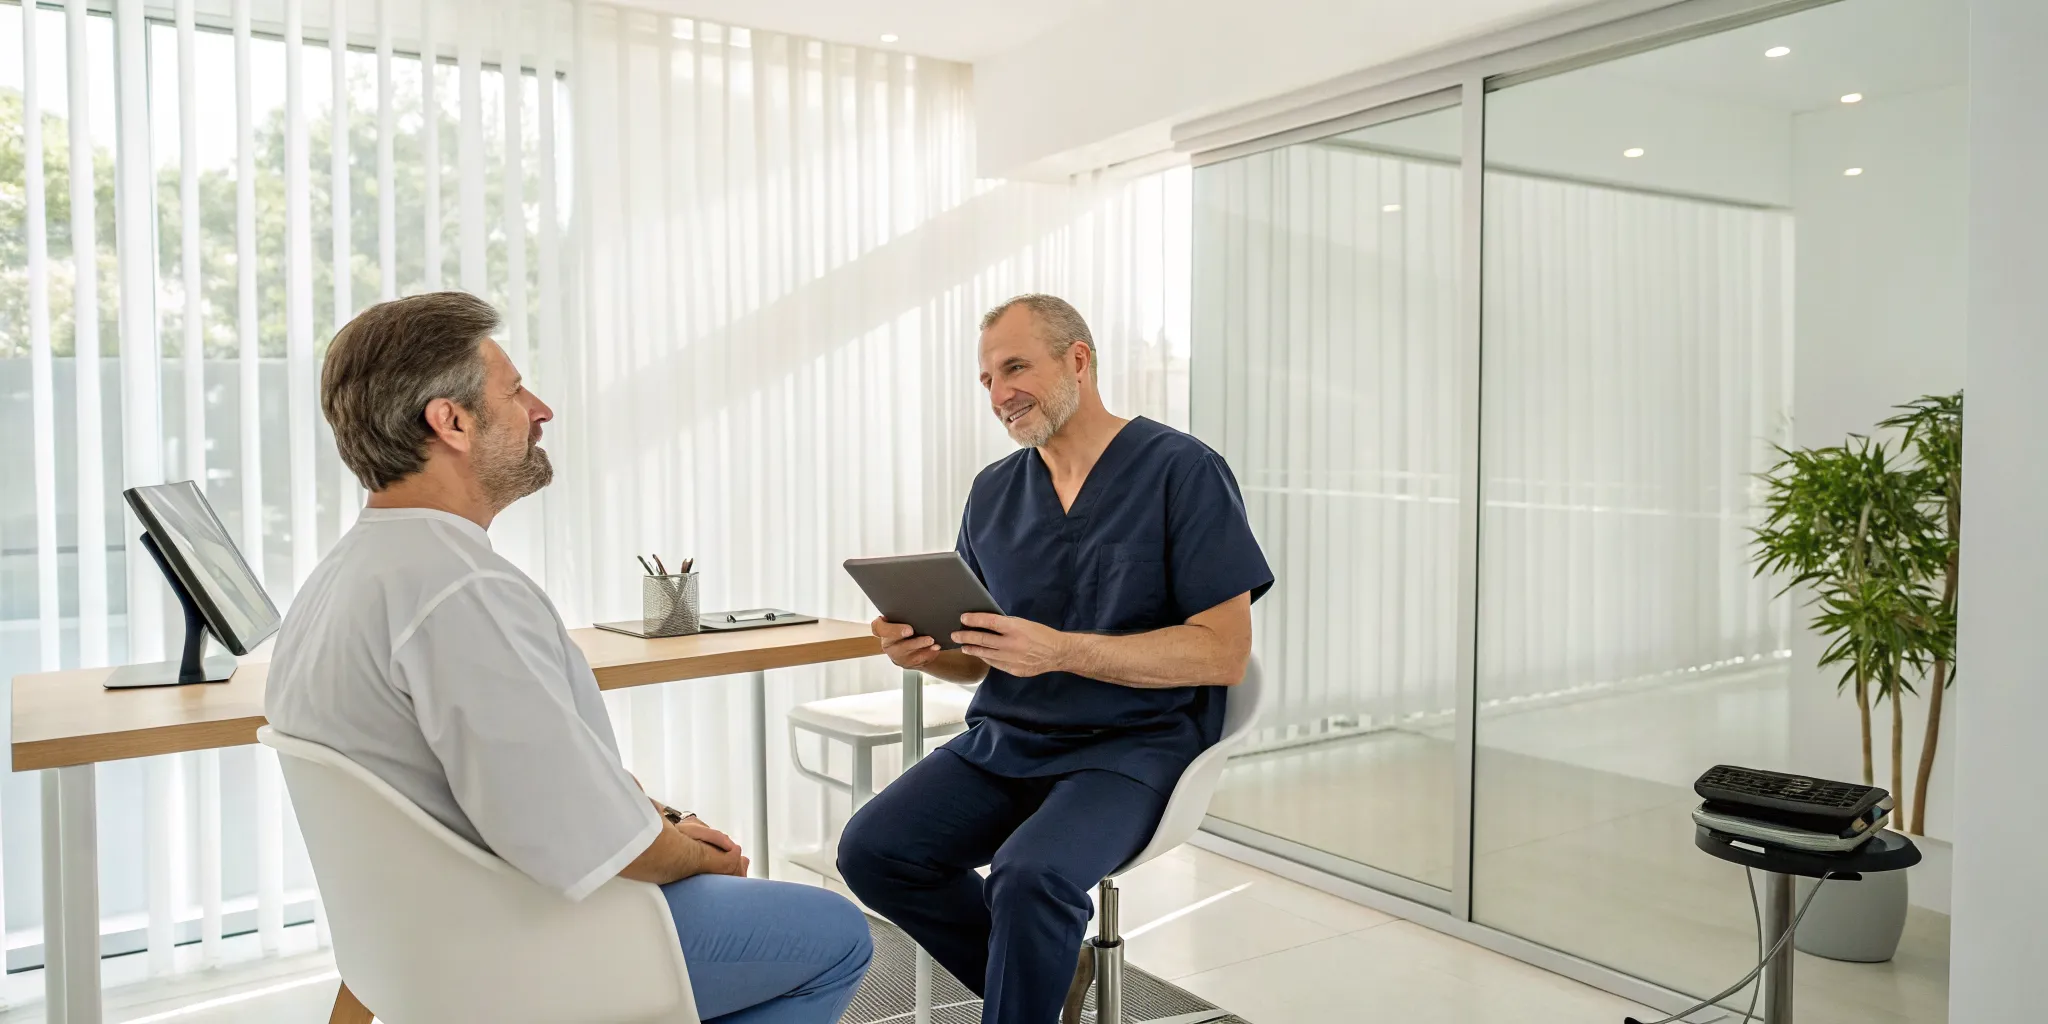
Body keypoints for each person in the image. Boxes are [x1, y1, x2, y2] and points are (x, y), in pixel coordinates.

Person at [266, 292, 871, 1024]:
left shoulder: (345, 577)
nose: (541, 408)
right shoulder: (462, 590)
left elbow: (523, 787)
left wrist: (662, 820)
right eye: (515, 390)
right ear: (450, 421)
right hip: (527, 950)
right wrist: (693, 855)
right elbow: (590, 842)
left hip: (420, 949)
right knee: (837, 936)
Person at [836, 294, 1274, 1024]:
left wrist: (1062, 649)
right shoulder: (994, 492)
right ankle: (1047, 976)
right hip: (1006, 740)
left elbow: (1223, 654)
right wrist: (924, 656)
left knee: (1030, 874)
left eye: (1015, 367)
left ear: (1078, 359)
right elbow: (979, 661)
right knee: (874, 850)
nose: (1000, 393)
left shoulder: (1182, 471)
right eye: (987, 380)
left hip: (1132, 748)